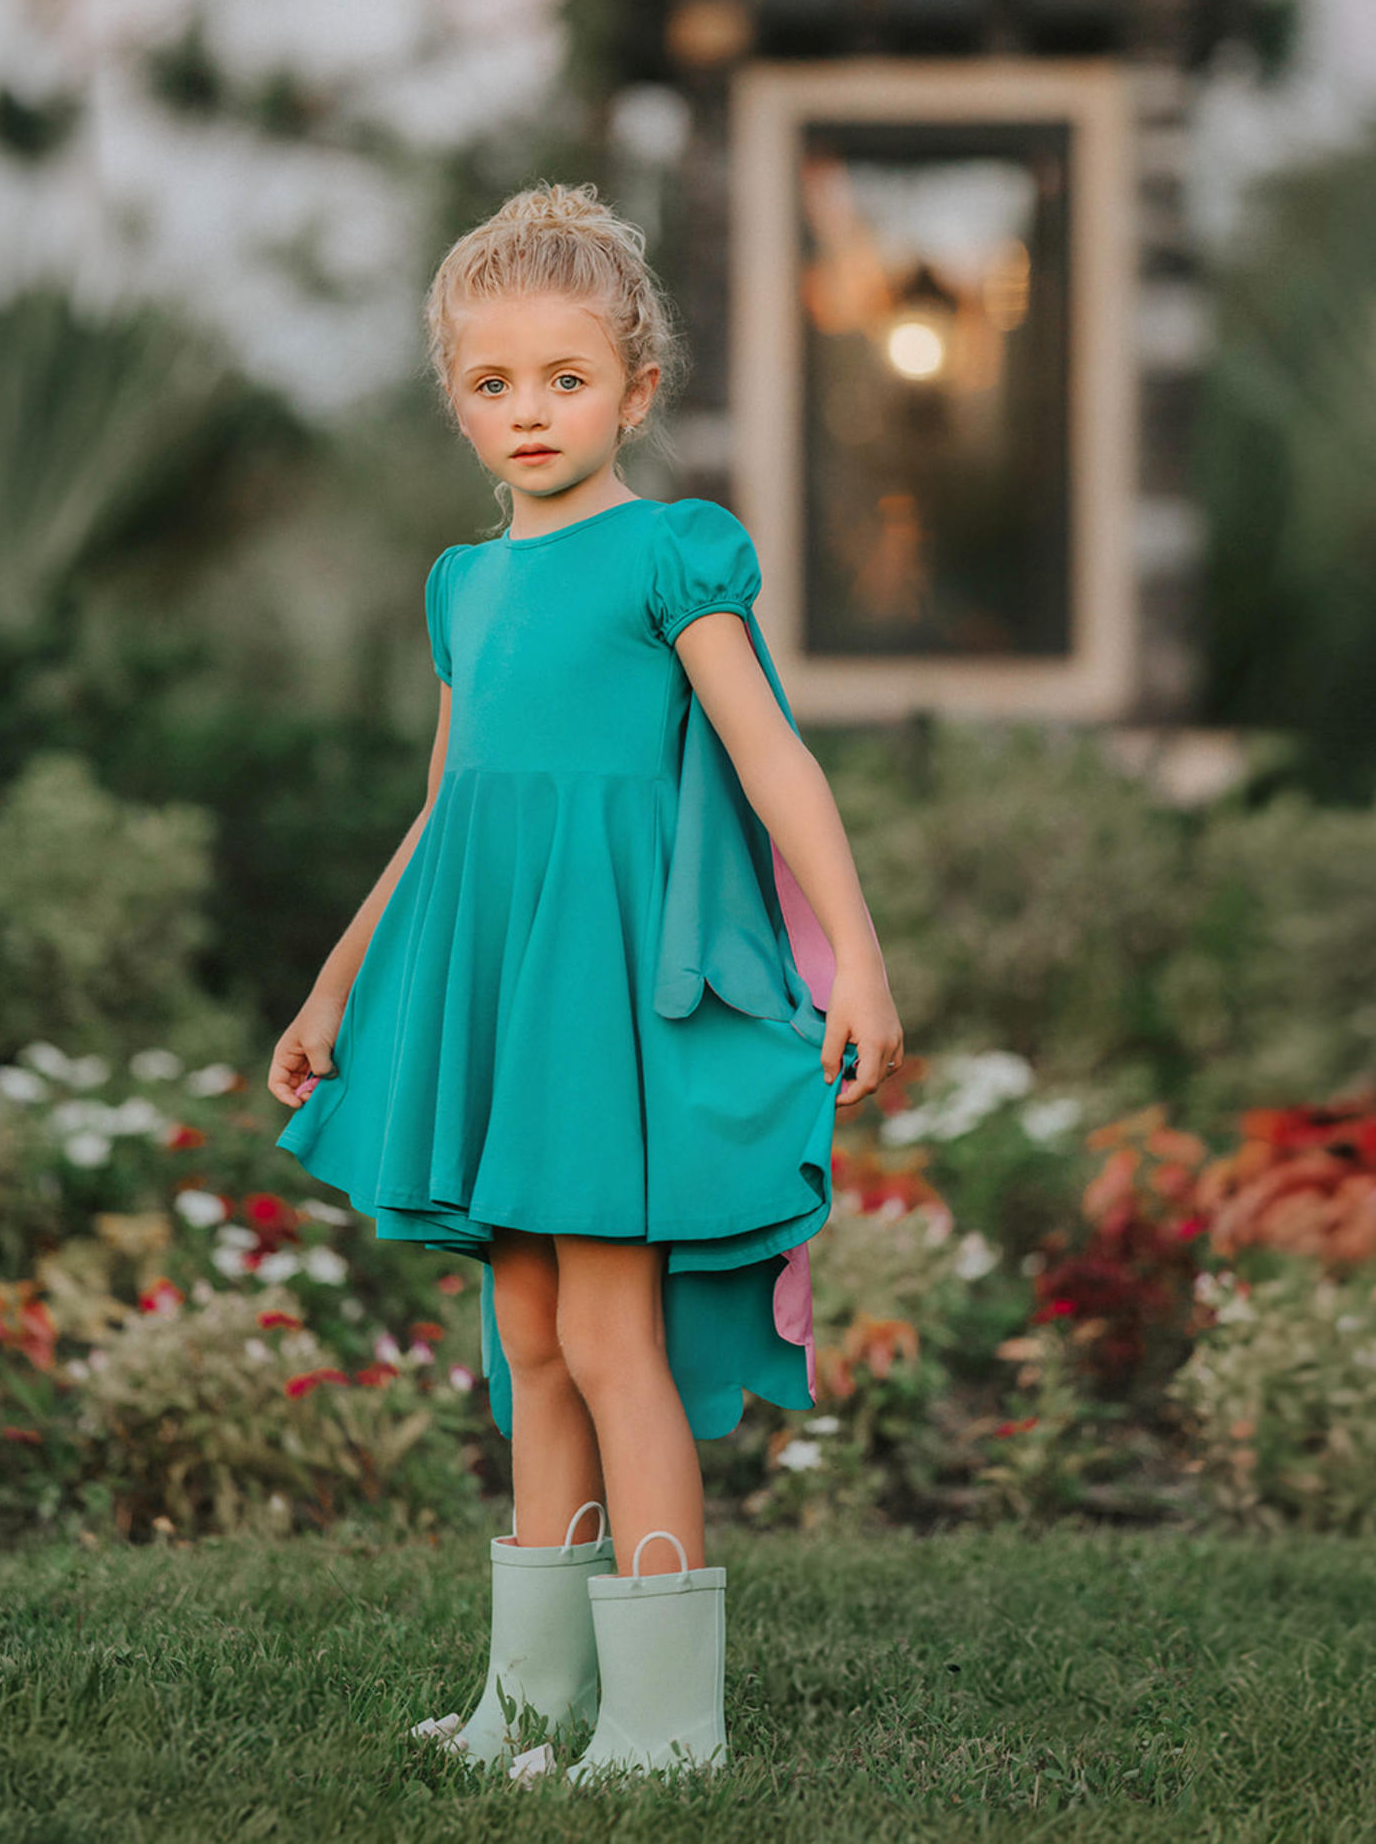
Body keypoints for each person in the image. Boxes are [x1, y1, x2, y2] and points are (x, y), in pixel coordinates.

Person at [268, 182, 902, 1782]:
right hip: (498, 994)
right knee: (530, 1339)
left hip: (611, 1004)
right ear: (455, 398)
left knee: (616, 1338)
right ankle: (535, 1702)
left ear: (639, 386)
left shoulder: (669, 554)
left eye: (566, 377)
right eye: (493, 382)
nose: (529, 410)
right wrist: (335, 985)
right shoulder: (463, 587)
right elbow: (445, 806)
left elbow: (774, 761)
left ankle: (667, 1722)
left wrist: (865, 959)